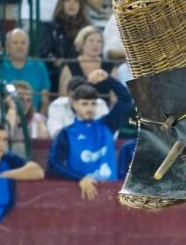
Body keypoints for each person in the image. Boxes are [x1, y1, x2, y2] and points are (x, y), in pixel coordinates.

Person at [48, 71, 133, 200]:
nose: (90, 108)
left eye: (93, 104)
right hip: (80, 194)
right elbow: (53, 165)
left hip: (110, 193)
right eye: (84, 104)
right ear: (75, 104)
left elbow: (126, 99)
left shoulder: (107, 124)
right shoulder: (66, 133)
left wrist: (108, 79)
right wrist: (80, 178)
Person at [38, 0, 93, 91]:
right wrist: (61, 64)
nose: (72, 4)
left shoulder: (88, 29)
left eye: (76, 1)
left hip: (83, 71)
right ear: (61, 3)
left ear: (80, 5)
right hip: (56, 72)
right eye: (68, 0)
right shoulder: (49, 27)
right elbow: (45, 52)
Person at [0, 28, 51, 114]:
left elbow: (45, 99)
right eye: (15, 43)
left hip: (35, 115)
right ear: (7, 46)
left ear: (28, 46)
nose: (19, 47)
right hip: (7, 114)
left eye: (23, 43)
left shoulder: (39, 66)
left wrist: (40, 117)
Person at [0, 81, 49, 155]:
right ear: (10, 99)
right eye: (21, 99)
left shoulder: (37, 118)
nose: (25, 104)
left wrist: (42, 130)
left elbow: (43, 146)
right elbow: (3, 137)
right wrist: (12, 109)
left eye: (29, 100)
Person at [58, 26, 118, 100]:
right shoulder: (69, 66)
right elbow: (63, 97)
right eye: (91, 41)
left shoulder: (110, 67)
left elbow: (114, 97)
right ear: (82, 44)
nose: (95, 44)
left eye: (99, 41)